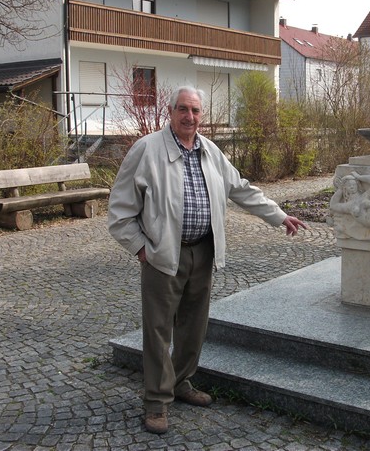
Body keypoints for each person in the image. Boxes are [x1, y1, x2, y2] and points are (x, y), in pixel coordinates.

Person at [107, 85, 307, 435]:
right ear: (170, 112)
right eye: (183, 109)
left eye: (196, 111)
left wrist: (278, 215)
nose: (190, 117)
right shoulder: (147, 150)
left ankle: (182, 382)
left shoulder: (210, 151)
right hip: (162, 254)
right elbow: (120, 209)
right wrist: (141, 248)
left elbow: (241, 188)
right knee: (157, 331)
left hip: (203, 250)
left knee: (193, 326)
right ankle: (156, 402)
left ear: (202, 115)